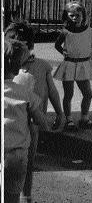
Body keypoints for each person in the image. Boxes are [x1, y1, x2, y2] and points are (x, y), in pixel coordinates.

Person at [5, 21, 63, 203]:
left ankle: (26, 196)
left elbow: (52, 91)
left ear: (30, 47)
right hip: (15, 127)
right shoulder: (9, 67)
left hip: (31, 125)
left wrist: (60, 113)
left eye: (21, 48)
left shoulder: (41, 66)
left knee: (29, 161)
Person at [4, 39, 48, 203]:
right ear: (17, 69)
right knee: (12, 196)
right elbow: (41, 122)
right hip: (17, 155)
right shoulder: (25, 93)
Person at [53, 0, 92, 132]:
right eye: (71, 15)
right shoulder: (65, 32)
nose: (74, 18)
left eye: (78, 15)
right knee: (69, 94)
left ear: (83, 16)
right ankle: (69, 120)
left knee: (88, 93)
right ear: (66, 16)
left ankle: (84, 118)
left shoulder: (88, 30)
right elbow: (57, 45)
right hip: (69, 64)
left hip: (83, 65)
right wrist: (65, 53)